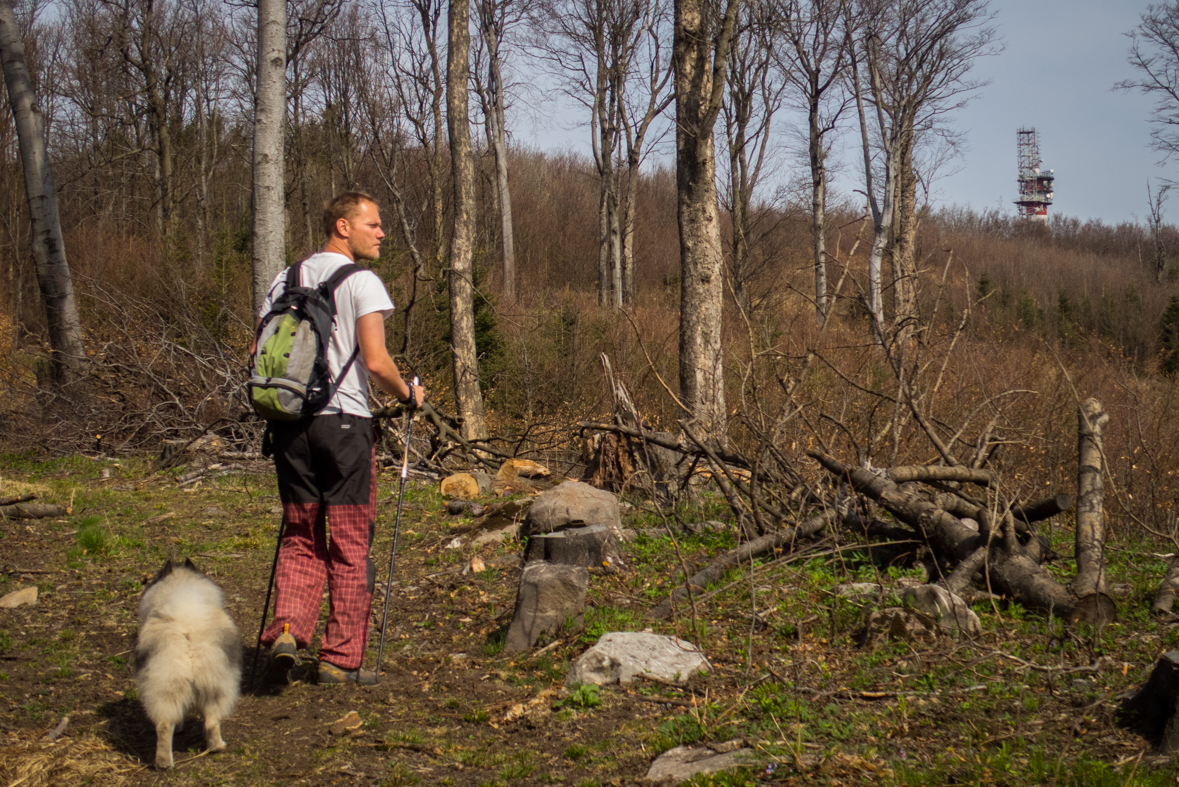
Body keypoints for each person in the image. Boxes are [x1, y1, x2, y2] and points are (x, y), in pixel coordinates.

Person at [254, 191, 425, 685]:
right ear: (342, 226)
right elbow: (375, 361)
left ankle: (287, 630)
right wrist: (408, 393)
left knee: (299, 535)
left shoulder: (284, 281)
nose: (381, 232)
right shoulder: (361, 282)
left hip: (289, 426)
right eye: (373, 223)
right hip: (345, 425)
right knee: (350, 545)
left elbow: (258, 352)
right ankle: (340, 659)